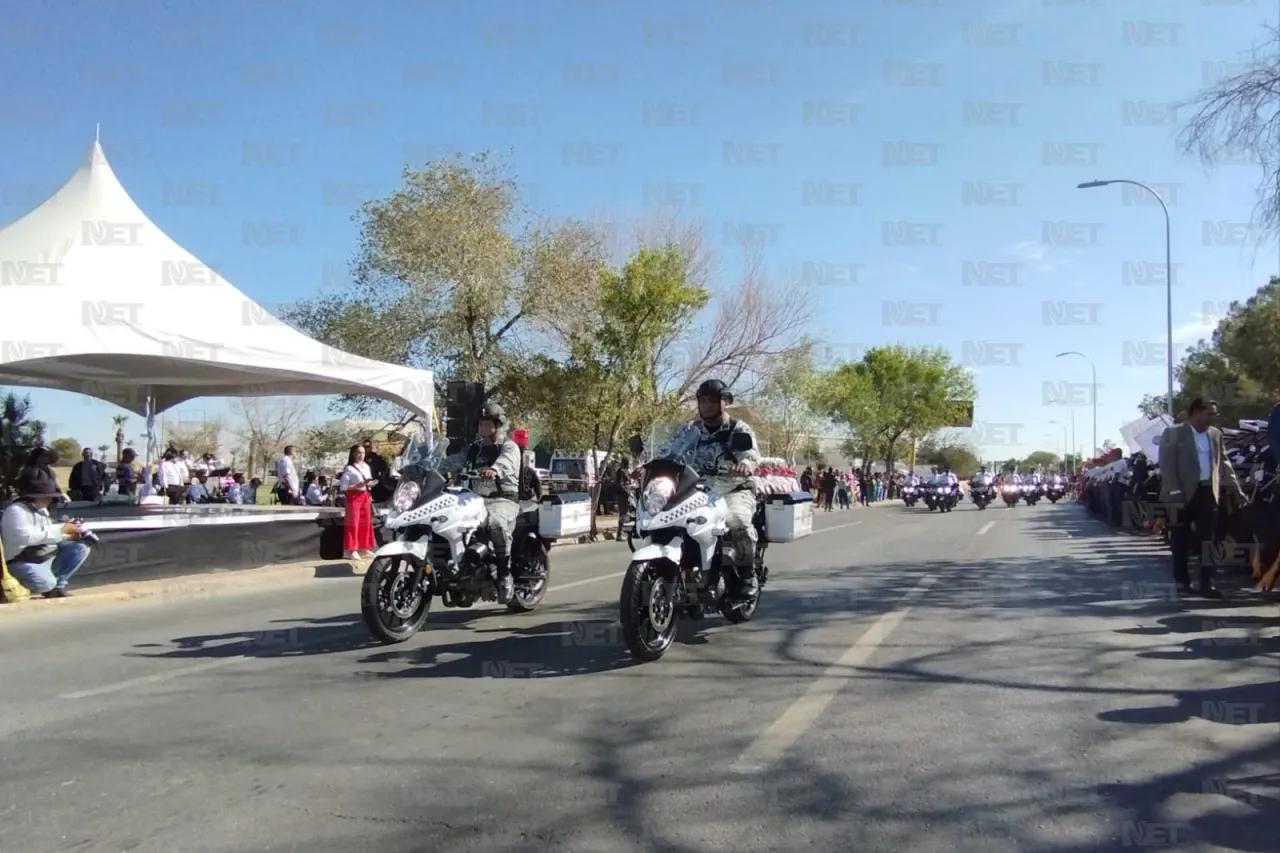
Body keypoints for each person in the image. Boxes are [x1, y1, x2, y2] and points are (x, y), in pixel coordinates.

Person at [657, 379, 762, 597]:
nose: (706, 405)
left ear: (726, 402)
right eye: (702, 401)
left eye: (712, 401)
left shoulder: (738, 428)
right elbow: (667, 452)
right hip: (696, 490)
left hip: (733, 489)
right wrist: (649, 465)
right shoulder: (690, 430)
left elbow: (751, 455)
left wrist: (745, 464)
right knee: (669, 520)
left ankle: (747, 574)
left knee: (738, 522)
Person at [1158, 397, 1245, 598]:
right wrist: (1174, 492)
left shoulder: (1215, 434)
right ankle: (1181, 581)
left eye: (1214, 414)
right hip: (1180, 493)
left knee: (1209, 539)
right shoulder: (1174, 433)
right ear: (1196, 412)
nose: (1212, 418)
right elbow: (1167, 465)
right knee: (1180, 538)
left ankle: (1208, 583)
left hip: (1207, 492)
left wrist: (1235, 487)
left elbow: (1223, 462)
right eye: (1209, 413)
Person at [462, 403, 522, 604]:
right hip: (475, 499)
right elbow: (454, 460)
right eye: (481, 424)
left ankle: (505, 574)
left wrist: (495, 469)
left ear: (498, 425)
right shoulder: (474, 449)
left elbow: (507, 462)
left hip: (503, 498)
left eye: (487, 424)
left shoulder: (509, 446)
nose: (483, 428)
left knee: (495, 522)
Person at [2, 471, 90, 598]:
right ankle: (15, 587)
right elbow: (24, 537)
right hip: (20, 561)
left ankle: (57, 587)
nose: (51, 500)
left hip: (43, 556)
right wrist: (62, 530)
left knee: (79, 548)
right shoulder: (15, 511)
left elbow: (47, 531)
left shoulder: (41, 510)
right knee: (45, 583)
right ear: (35, 496)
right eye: (48, 496)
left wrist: (69, 533)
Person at [338, 444, 376, 561]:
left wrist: (369, 485)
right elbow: (343, 486)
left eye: (363, 453)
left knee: (365, 522)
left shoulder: (366, 467)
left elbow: (368, 483)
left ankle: (364, 548)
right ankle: (352, 549)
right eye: (359, 453)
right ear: (353, 454)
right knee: (353, 523)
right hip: (354, 496)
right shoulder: (349, 468)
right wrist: (357, 485)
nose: (361, 455)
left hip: (365, 495)